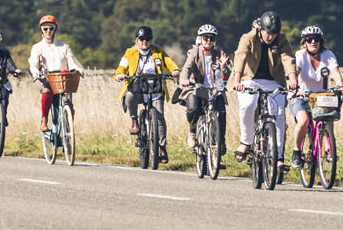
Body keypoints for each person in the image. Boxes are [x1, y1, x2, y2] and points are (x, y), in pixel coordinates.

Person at [230, 10, 297, 168]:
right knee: (248, 106)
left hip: (273, 82)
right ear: (260, 29)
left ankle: (278, 156)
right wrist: (237, 80)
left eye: (274, 33)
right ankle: (245, 141)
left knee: (279, 114)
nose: (271, 37)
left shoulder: (281, 40)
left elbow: (287, 58)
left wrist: (292, 79)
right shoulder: (248, 38)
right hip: (249, 80)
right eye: (268, 33)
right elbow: (241, 56)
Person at [115, 25, 179, 165]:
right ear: (137, 39)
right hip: (137, 87)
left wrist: (175, 71)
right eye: (142, 39)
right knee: (129, 97)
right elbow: (122, 67)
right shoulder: (130, 52)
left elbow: (169, 62)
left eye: (148, 39)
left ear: (151, 40)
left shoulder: (158, 52)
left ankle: (162, 147)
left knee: (160, 117)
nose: (145, 42)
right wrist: (120, 74)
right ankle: (134, 120)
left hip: (155, 88)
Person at [288, 25, 343, 168]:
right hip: (301, 95)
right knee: (304, 121)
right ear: (304, 42)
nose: (313, 42)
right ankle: (296, 151)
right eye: (309, 39)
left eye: (316, 39)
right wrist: (294, 86)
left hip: (321, 97)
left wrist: (341, 86)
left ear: (321, 41)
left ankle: (328, 150)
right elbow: (296, 71)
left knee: (329, 116)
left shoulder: (328, 55)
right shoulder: (300, 55)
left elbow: (336, 73)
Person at [177, 23, 230, 155]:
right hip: (197, 88)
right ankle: (192, 131)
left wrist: (223, 67)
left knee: (221, 115)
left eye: (211, 38)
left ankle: (219, 144)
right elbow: (187, 68)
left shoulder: (217, 54)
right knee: (193, 108)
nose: (208, 41)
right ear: (200, 39)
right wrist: (184, 79)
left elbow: (227, 75)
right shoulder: (194, 52)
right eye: (206, 37)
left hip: (214, 90)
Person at [28, 14, 84, 134]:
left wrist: (77, 69)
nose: (48, 31)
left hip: (61, 79)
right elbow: (33, 64)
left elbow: (71, 61)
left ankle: (68, 134)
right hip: (45, 78)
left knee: (68, 102)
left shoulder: (64, 46)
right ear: (41, 30)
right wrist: (36, 72)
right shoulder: (37, 47)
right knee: (47, 92)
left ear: (55, 29)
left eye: (51, 28)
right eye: (45, 29)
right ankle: (44, 120)